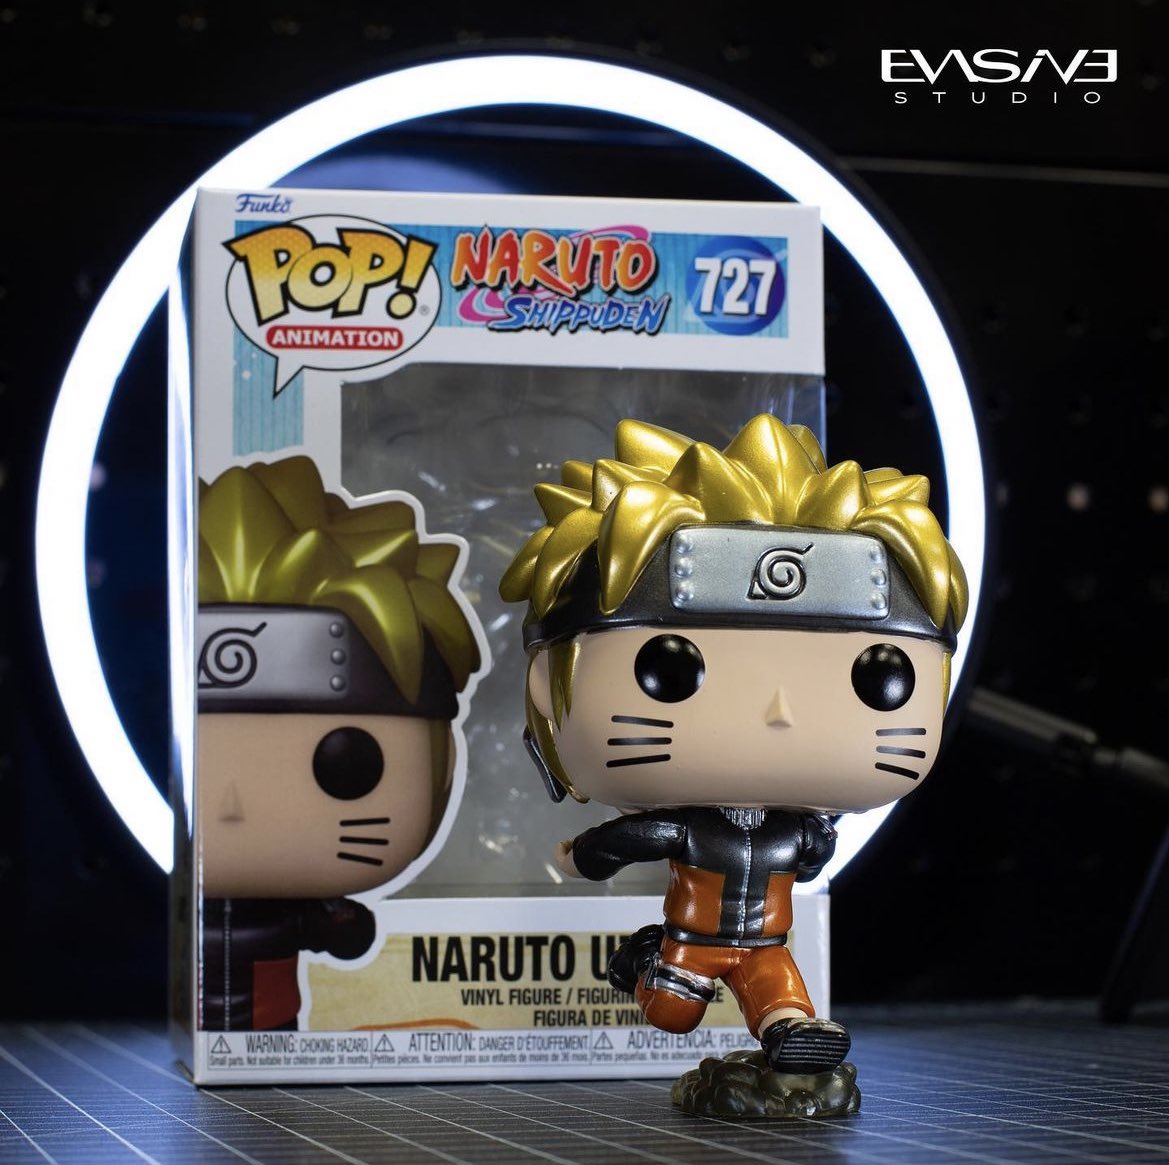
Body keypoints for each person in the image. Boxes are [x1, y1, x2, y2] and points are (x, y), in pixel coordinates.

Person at [500, 414, 966, 1073]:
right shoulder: (688, 831)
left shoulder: (795, 831)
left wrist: (816, 847)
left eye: (879, 677)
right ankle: (645, 960)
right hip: (689, 940)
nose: (780, 711)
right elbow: (627, 841)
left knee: (779, 991)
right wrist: (581, 857)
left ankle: (790, 1035)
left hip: (766, 942)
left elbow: (812, 857)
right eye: (670, 668)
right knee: (671, 1012)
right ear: (548, 681)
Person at [197, 456, 481, 1031]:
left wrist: (338, 923)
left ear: (443, 763)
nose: (231, 804)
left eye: (346, 763)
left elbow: (350, 938)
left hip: (280, 1032)